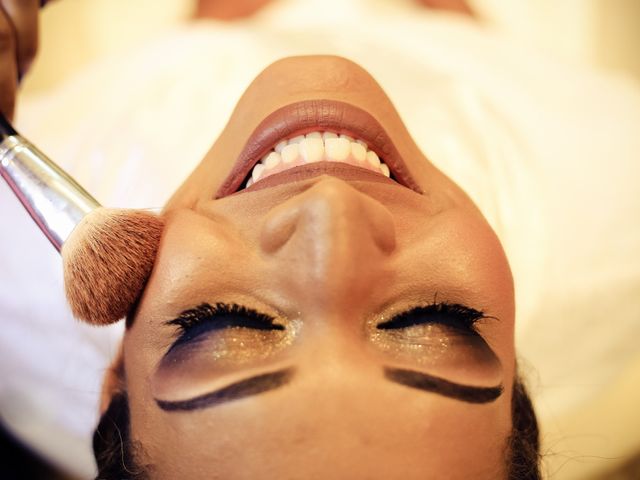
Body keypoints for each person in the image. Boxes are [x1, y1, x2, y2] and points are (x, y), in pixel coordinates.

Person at [2, 1, 640, 479]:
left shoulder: (27, 240)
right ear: (522, 394)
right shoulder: (603, 190)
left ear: (117, 379)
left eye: (228, 326)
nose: (330, 213)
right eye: (431, 320)